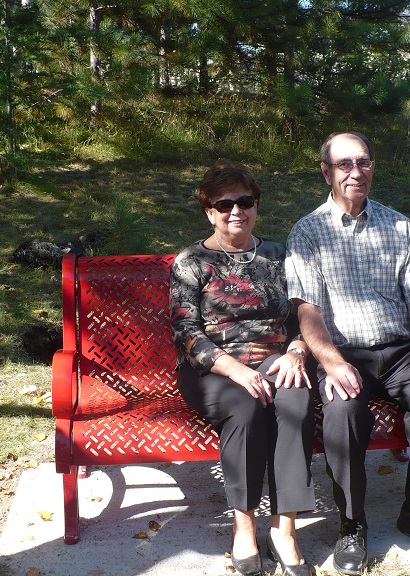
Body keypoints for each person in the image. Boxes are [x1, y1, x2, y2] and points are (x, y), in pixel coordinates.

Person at [285, 132, 410, 574]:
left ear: (373, 167)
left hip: (400, 352)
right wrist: (331, 362)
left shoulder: (400, 227)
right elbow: (307, 310)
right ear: (326, 172)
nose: (355, 172)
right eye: (343, 164)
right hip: (343, 353)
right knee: (342, 410)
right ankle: (352, 524)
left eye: (363, 162)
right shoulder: (307, 232)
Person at [170, 160, 316, 576]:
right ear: (209, 212)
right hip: (213, 368)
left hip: (275, 357)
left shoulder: (278, 256)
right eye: (224, 204)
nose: (236, 210)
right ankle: (245, 527)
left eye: (245, 201)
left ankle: (284, 531)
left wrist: (297, 351)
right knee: (246, 407)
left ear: (256, 205)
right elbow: (185, 332)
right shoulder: (191, 262)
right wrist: (236, 371)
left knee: (296, 401)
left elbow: (302, 315)